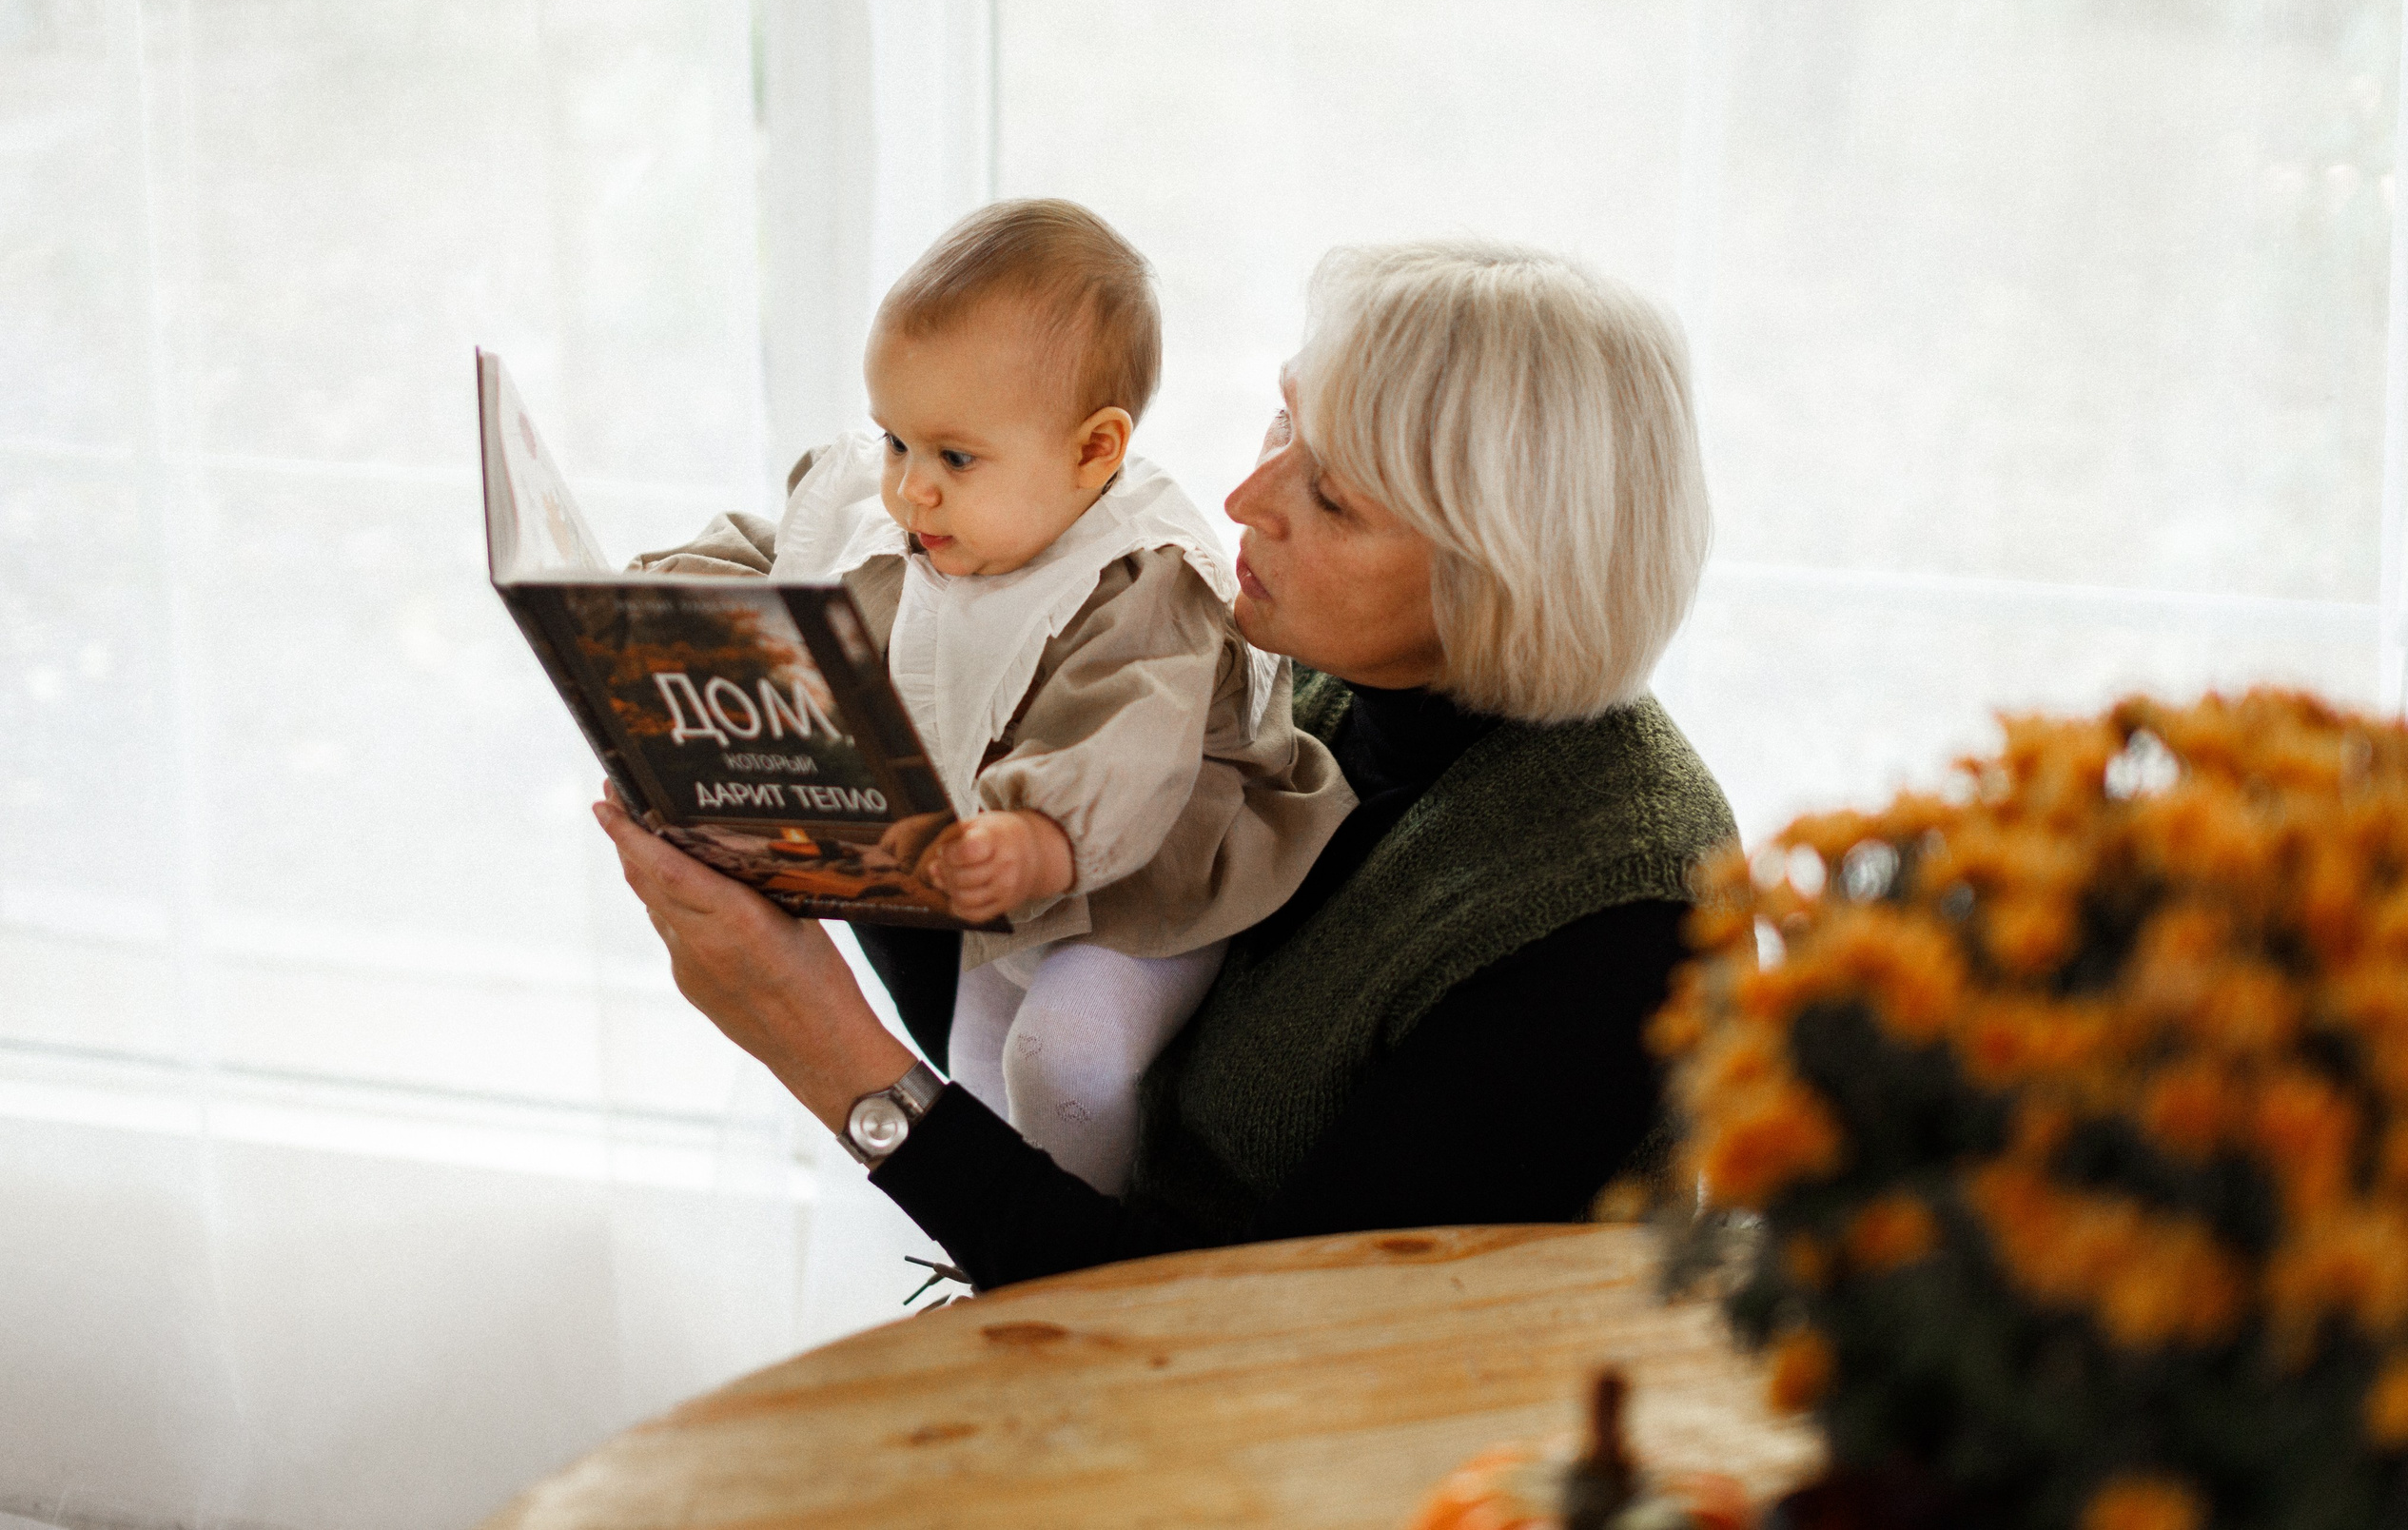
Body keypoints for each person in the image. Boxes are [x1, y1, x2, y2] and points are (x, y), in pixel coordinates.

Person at [599, 239, 1736, 1290]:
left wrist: (830, 1056)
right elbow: (1012, 965)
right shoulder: (1286, 672)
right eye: (1282, 426)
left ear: (1502, 575)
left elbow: (1240, 1328)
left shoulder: (1617, 924)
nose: (1246, 500)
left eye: (1331, 495)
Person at [633, 199, 1351, 1195]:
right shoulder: (921, 517)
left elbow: (1128, 742)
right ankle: (1002, 1259)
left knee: (1062, 1059)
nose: (910, 490)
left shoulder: (1141, 581)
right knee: (971, 1076)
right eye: (893, 441)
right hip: (991, 867)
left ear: (1094, 452)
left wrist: (1041, 839)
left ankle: (1097, 1246)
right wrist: (657, 596)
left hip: (1141, 875)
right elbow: (787, 556)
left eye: (954, 457)